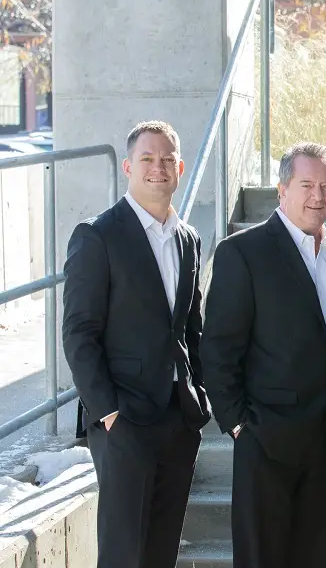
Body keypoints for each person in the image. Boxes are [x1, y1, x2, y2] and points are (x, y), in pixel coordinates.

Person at [199, 142, 326, 568]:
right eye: (307, 184)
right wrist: (239, 425)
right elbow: (218, 349)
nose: (318, 195)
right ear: (282, 190)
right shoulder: (244, 253)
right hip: (264, 442)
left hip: (325, 444)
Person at [62, 120, 211, 568]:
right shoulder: (98, 235)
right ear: (128, 166)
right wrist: (107, 411)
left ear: (180, 168)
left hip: (177, 418)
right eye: (147, 158)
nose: (158, 167)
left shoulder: (188, 239)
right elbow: (79, 333)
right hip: (122, 417)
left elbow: (191, 329)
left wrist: (198, 398)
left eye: (167, 159)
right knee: (125, 553)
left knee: (161, 550)